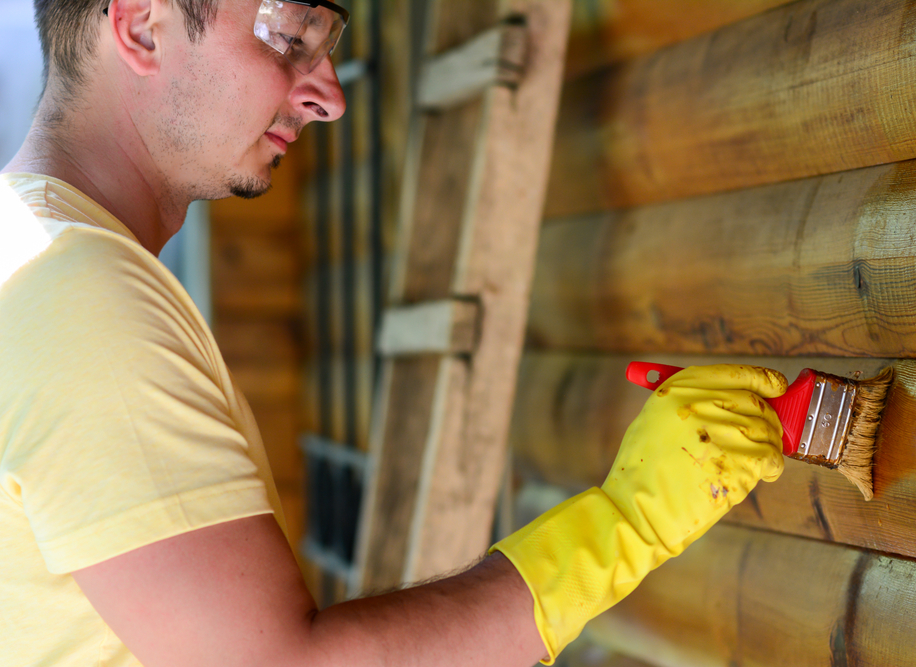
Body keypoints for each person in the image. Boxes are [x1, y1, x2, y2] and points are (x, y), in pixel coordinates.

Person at [0, 0, 788, 664]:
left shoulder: (28, 248)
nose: (330, 96)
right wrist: (626, 523)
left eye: (327, 46)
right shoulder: (81, 295)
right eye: (288, 36)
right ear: (142, 27)